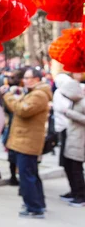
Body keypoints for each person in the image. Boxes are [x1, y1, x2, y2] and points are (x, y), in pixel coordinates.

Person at [4, 67, 52, 219]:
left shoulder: (39, 94)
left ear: (36, 79)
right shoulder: (35, 93)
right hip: (26, 140)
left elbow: (22, 110)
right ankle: (38, 203)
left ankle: (34, 207)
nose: (24, 80)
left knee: (27, 176)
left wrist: (8, 96)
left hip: (28, 142)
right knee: (31, 174)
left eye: (27, 77)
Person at [54, 76, 85, 207]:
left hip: (79, 140)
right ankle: (74, 192)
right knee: (70, 167)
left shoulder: (82, 102)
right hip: (72, 137)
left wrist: (69, 113)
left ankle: (81, 196)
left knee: (76, 169)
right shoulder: (75, 101)